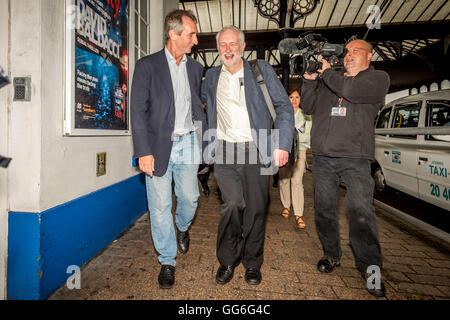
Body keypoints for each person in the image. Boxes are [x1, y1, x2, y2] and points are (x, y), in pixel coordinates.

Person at [201, 25, 294, 286]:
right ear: (218, 49)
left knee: (255, 210)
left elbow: (284, 107)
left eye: (233, 44)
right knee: (232, 205)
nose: (228, 49)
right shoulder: (211, 76)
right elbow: (203, 108)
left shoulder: (260, 70)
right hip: (225, 152)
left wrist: (283, 144)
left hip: (257, 150)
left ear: (242, 47)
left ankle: (252, 262)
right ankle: (228, 260)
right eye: (223, 45)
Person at [301, 39, 390, 297]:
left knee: (361, 212)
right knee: (324, 210)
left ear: (369, 56)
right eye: (347, 51)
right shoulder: (331, 79)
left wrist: (326, 72)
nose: (349, 56)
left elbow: (351, 91)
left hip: (356, 159)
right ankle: (331, 255)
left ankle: (371, 271)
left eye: (356, 51)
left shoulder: (376, 79)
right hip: (324, 159)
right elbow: (308, 106)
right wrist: (308, 80)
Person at [130, 9, 206, 289]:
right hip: (158, 147)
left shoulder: (195, 68)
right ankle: (167, 260)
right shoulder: (147, 65)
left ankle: (183, 228)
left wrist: (204, 140)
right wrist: (143, 150)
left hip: (188, 143)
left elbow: (198, 107)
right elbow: (137, 111)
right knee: (160, 206)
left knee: (190, 198)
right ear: (173, 35)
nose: (195, 40)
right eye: (191, 34)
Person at [279, 87, 312, 229]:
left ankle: (299, 214)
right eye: (291, 97)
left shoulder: (306, 116)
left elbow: (307, 136)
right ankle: (286, 205)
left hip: (300, 151)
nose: (294, 100)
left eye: (297, 97)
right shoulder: (281, 115)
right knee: (284, 179)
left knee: (297, 182)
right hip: (284, 151)